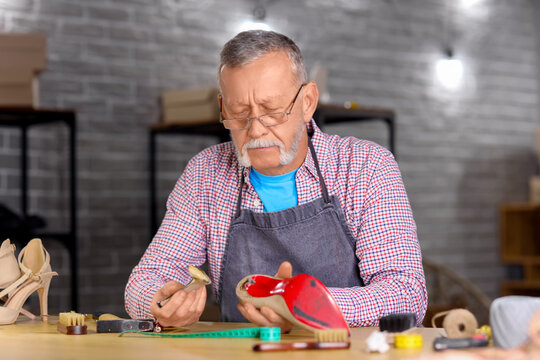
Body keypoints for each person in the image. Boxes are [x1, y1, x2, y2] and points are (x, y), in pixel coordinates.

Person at [125, 30, 427, 330]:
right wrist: (157, 302)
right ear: (222, 108)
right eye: (239, 113)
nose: (255, 130)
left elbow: (406, 294)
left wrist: (304, 307)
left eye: (272, 111)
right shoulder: (205, 175)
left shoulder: (365, 167)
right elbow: (146, 278)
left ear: (307, 102)